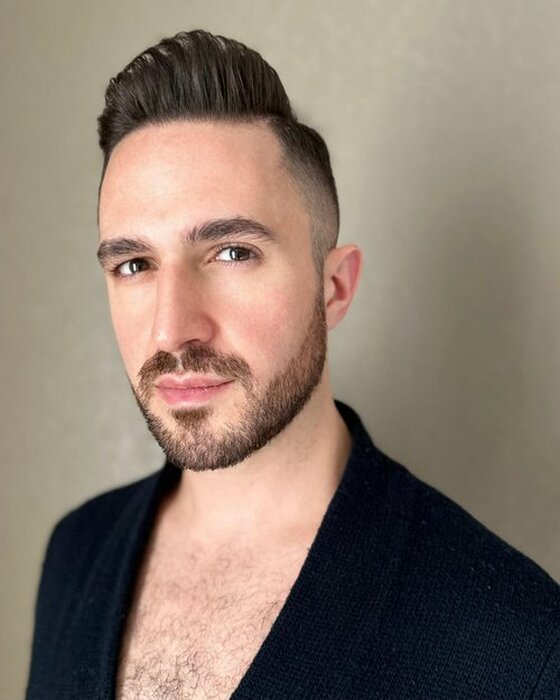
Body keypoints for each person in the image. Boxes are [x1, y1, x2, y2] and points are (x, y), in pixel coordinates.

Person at [26, 30, 559, 700]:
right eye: (134, 264)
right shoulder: (75, 555)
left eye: (232, 253)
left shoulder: (518, 645)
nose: (171, 330)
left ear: (333, 287)